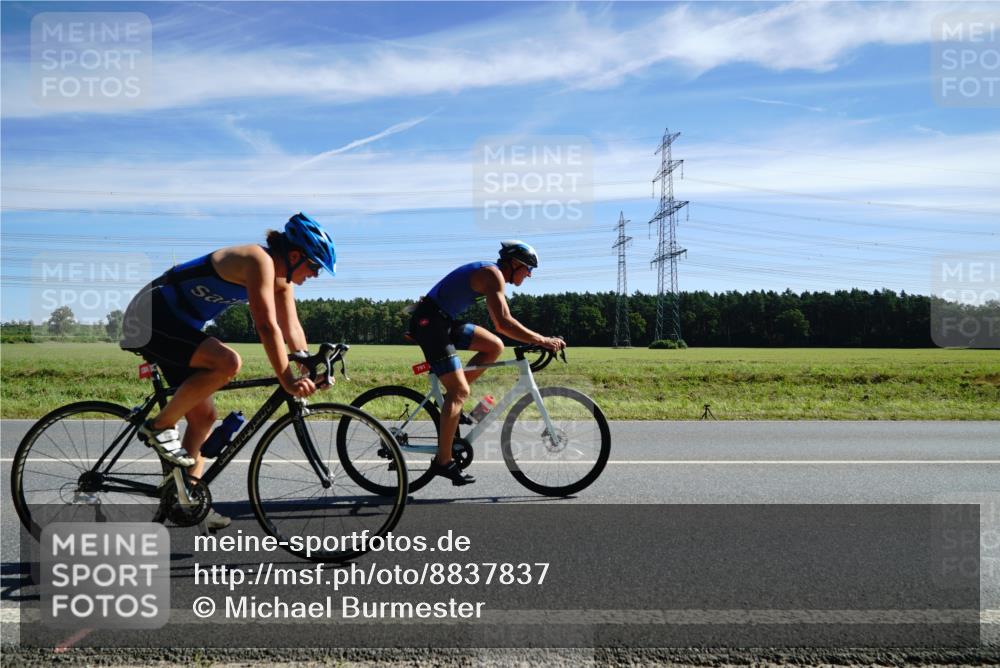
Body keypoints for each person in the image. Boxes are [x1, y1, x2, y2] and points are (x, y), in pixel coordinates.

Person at [120, 213, 336, 528]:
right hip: (150, 316)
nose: (315, 275)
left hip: (178, 326)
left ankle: (187, 499)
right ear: (294, 256)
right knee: (228, 362)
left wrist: (308, 367)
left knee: (204, 418)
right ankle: (159, 426)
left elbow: (291, 328)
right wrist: (287, 379)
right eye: (315, 266)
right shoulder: (257, 260)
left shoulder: (282, 281)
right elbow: (266, 326)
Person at [408, 240, 565, 486]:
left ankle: (452, 399)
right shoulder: (493, 275)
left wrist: (538, 339)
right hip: (430, 323)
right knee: (460, 391)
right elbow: (503, 322)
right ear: (514, 264)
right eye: (528, 268)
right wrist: (542, 339)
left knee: (494, 346)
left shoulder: (493, 274)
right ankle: (443, 461)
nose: (530, 275)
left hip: (443, 320)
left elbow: (501, 327)